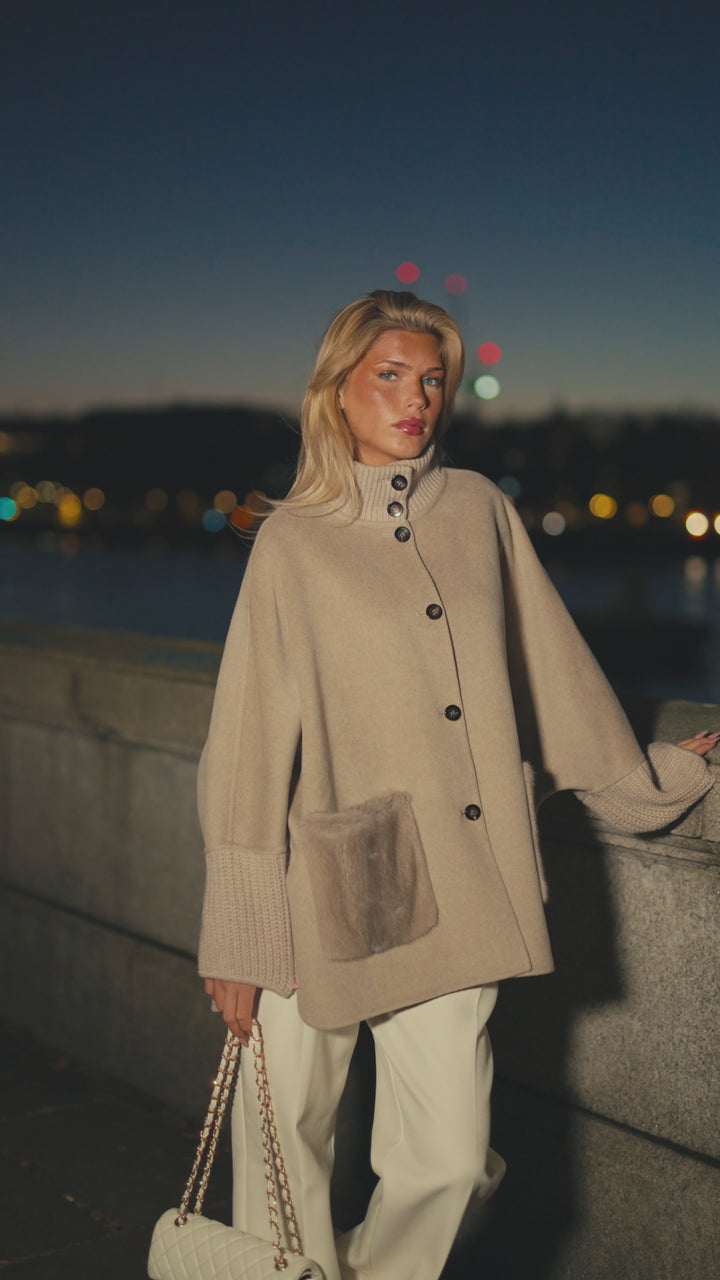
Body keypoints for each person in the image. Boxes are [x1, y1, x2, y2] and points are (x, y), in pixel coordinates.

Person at [198, 290, 716, 1280]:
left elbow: (552, 672)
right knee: (282, 1151)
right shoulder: (294, 538)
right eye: (390, 375)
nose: (416, 399)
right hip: (309, 886)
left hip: (461, 873)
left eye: (432, 379)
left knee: (448, 1161)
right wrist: (239, 926)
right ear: (337, 390)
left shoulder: (480, 508)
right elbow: (250, 739)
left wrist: (648, 780)